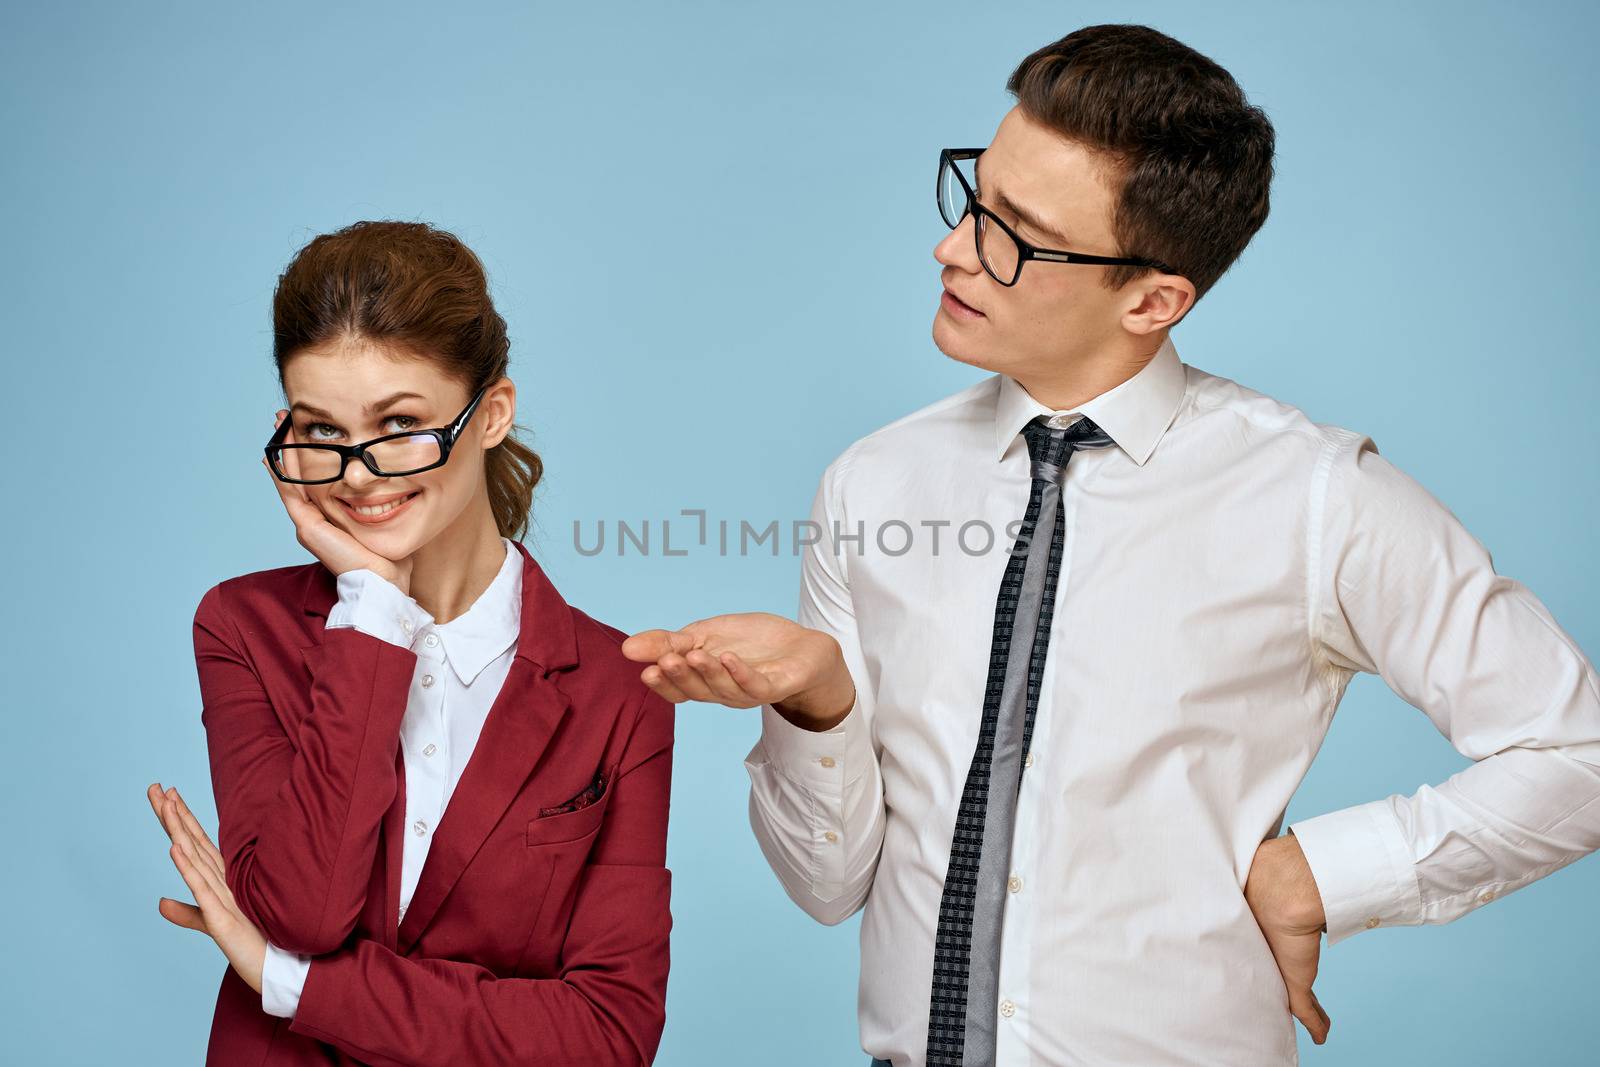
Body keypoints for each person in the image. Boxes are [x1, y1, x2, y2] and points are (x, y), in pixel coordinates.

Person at [622, 23, 1600, 1067]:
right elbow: (828, 886)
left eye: (1015, 232)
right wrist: (818, 702)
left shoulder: (1314, 495)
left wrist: (1322, 872)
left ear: (1151, 299)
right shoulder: (875, 481)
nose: (952, 248)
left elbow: (1575, 750)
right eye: (973, 198)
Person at [148, 220, 674, 1066]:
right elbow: (304, 912)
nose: (358, 473)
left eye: (398, 423)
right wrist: (375, 608)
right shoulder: (242, 627)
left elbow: (608, 1036)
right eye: (321, 431)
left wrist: (295, 984)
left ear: (492, 412)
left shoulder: (622, 689)